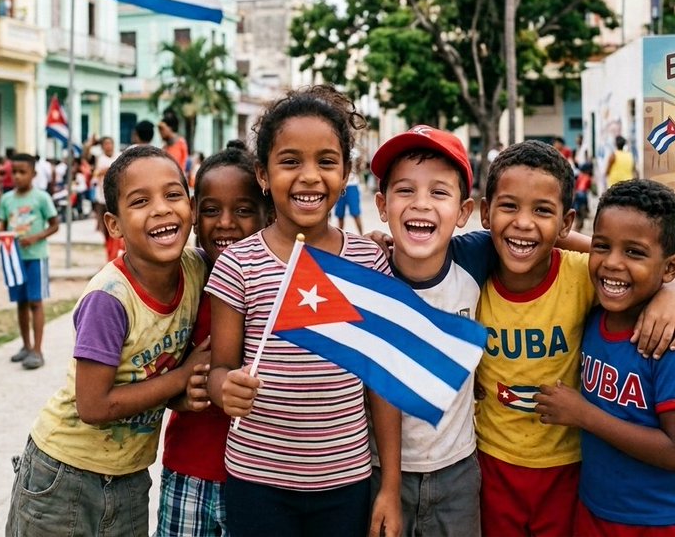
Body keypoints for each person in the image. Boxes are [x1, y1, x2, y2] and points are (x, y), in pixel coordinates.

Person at [207, 86, 403, 537]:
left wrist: (389, 485)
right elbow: (220, 368)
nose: (309, 176)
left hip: (346, 482)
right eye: (290, 161)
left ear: (347, 173)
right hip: (257, 481)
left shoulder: (367, 263)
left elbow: (383, 383)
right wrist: (225, 389)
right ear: (262, 174)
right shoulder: (239, 263)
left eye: (326, 161)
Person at [472, 141, 675, 536]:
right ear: (486, 212)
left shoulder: (580, 276)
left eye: (542, 210)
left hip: (568, 468)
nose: (523, 222)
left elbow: (629, 270)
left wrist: (670, 297)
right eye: (509, 206)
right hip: (492, 462)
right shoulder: (472, 275)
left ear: (566, 222)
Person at [5, 146, 209, 536]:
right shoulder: (110, 298)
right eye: (140, 201)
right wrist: (181, 378)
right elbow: (93, 405)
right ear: (113, 226)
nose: (162, 208)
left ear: (192, 207)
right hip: (64, 474)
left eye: (173, 194)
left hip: (130, 474)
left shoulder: (197, 268)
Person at [534, 180, 675, 536]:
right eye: (602, 246)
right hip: (597, 510)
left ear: (670, 268)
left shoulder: (672, 343)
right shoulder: (593, 314)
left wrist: (584, 415)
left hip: (664, 520)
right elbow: (553, 236)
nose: (612, 263)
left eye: (634, 252)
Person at [368, 125, 489, 536]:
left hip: (457, 473)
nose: (421, 204)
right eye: (405, 191)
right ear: (382, 206)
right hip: (379, 471)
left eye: (439, 193)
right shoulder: (368, 274)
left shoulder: (475, 258)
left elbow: (560, 242)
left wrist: (668, 286)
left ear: (464, 212)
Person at [157, 140, 270, 537]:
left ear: (268, 214)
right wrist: (179, 392)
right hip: (189, 469)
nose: (225, 222)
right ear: (192, 215)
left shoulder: (281, 281)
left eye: (243, 210)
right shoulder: (184, 281)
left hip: (260, 479)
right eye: (210, 210)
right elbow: (148, 370)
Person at [0, 153, 60, 371]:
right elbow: (1, 223)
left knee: (35, 302)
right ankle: (25, 345)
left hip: (36, 257)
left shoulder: (41, 198)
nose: (17, 176)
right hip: (14, 259)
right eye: (14, 172)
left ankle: (38, 350)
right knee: (21, 303)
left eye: (22, 172)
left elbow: (54, 225)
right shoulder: (6, 199)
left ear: (33, 174)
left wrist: (35, 237)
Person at [334, 146, 364, 234]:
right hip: (340, 184)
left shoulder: (356, 152)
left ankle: (362, 235)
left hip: (352, 185)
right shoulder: (339, 149)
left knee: (355, 213)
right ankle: (339, 236)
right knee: (340, 214)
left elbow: (360, 167)